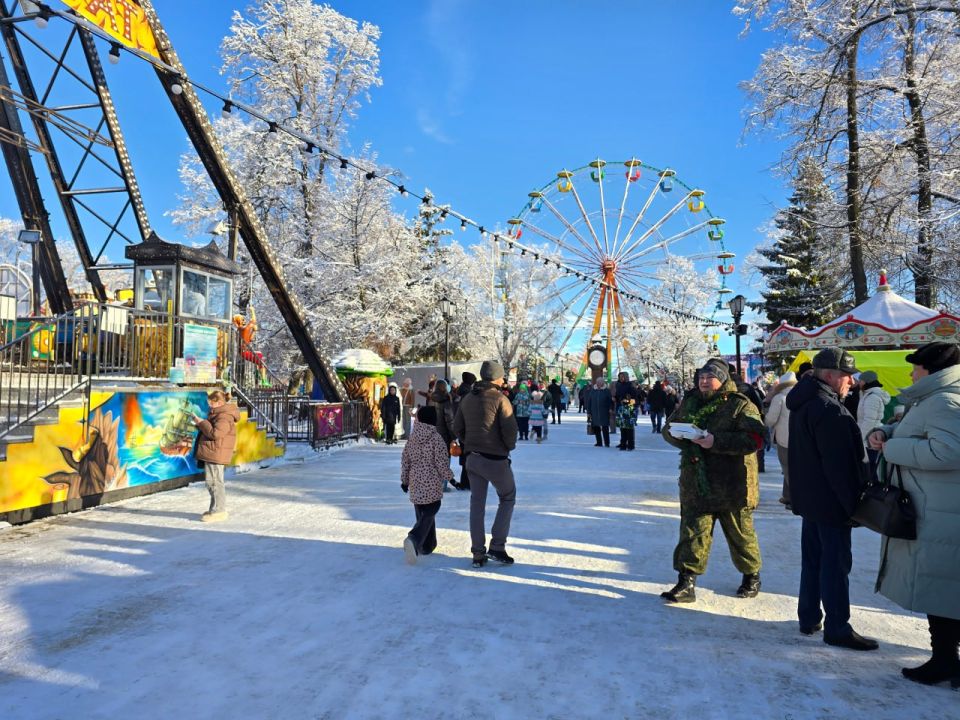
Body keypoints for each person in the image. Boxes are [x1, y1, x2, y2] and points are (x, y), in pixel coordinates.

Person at [867, 341, 960, 686]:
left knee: (943, 589)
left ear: (929, 370)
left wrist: (892, 447)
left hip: (941, 511)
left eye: (915, 367)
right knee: (943, 588)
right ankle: (946, 659)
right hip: (937, 506)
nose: (910, 372)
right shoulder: (935, 398)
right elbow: (922, 432)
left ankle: (945, 660)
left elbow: (948, 451)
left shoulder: (945, 400)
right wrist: (886, 432)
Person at [787, 348, 877, 651]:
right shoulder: (829, 410)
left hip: (811, 499)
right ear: (829, 375)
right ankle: (837, 626)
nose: (851, 381)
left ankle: (809, 616)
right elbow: (841, 469)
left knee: (813, 560)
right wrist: (853, 506)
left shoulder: (804, 403)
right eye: (846, 374)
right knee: (835, 565)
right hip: (831, 502)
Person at [660, 359, 765, 603]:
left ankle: (751, 576)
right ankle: (686, 582)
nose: (704, 381)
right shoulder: (690, 401)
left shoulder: (740, 405)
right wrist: (676, 434)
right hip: (697, 481)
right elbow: (670, 427)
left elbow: (755, 440)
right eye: (701, 377)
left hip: (733, 484)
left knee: (740, 535)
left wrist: (714, 441)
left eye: (710, 377)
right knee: (693, 533)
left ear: (723, 379)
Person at [452, 360, 519, 568]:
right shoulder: (501, 399)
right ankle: (497, 546)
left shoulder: (467, 399)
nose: (503, 379)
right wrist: (507, 446)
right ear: (496, 378)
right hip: (496, 459)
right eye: (502, 376)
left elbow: (458, 427)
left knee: (477, 504)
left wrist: (468, 443)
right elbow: (510, 431)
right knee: (507, 497)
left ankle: (477, 553)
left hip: (473, 458)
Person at [399, 405, 453, 564]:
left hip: (415, 481)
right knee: (431, 510)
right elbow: (442, 463)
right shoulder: (436, 438)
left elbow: (405, 460)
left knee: (422, 513)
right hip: (431, 483)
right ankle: (414, 539)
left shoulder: (412, 437)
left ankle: (427, 545)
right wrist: (451, 478)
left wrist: (404, 480)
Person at [192, 390, 240, 523]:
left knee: (214, 482)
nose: (209, 406)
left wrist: (202, 422)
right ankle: (215, 508)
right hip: (213, 452)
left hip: (216, 453)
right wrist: (200, 424)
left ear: (218, 402)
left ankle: (219, 510)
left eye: (211, 403)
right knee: (212, 482)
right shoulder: (218, 414)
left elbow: (216, 434)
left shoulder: (224, 416)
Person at [763, 371, 797, 507]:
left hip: (784, 438)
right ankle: (787, 496)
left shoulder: (780, 397)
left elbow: (771, 420)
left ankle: (794, 500)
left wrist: (764, 419)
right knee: (793, 468)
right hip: (799, 438)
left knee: (788, 469)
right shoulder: (800, 395)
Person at [856, 370, 889, 482]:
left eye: (860, 380)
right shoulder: (867, 394)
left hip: (870, 438)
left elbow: (869, 420)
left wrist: (860, 439)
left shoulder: (872, 397)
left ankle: (873, 491)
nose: (858, 383)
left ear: (866, 381)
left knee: (870, 468)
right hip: (868, 437)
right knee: (869, 468)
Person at [587, 377, 613, 447]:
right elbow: (589, 401)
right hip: (594, 411)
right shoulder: (593, 390)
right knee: (596, 427)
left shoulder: (606, 391)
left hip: (604, 411)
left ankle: (607, 443)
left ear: (603, 383)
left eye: (600, 382)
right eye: (597, 382)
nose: (598, 383)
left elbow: (610, 401)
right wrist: (589, 412)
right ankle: (599, 442)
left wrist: (610, 408)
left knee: (605, 427)